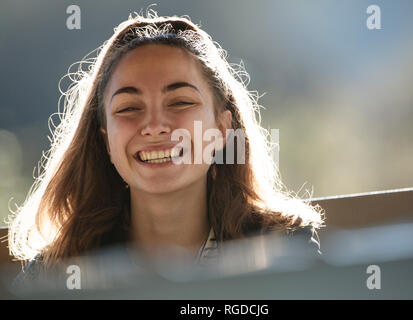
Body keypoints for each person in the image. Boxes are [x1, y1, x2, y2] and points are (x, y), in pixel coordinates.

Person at [8, 10, 324, 286]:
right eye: (129, 108)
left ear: (221, 129)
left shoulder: (285, 250)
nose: (155, 125)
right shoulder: (56, 274)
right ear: (105, 140)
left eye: (180, 102)